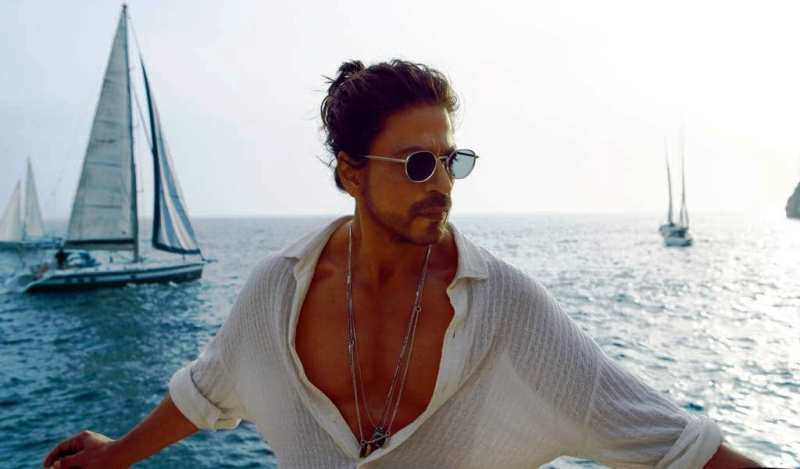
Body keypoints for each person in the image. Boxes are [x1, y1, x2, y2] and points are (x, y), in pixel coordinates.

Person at [44, 59, 762, 469]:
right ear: (351, 173)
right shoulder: (276, 293)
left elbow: (674, 442)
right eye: (418, 163)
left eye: (451, 160)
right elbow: (208, 388)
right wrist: (117, 454)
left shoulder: (505, 309)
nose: (442, 183)